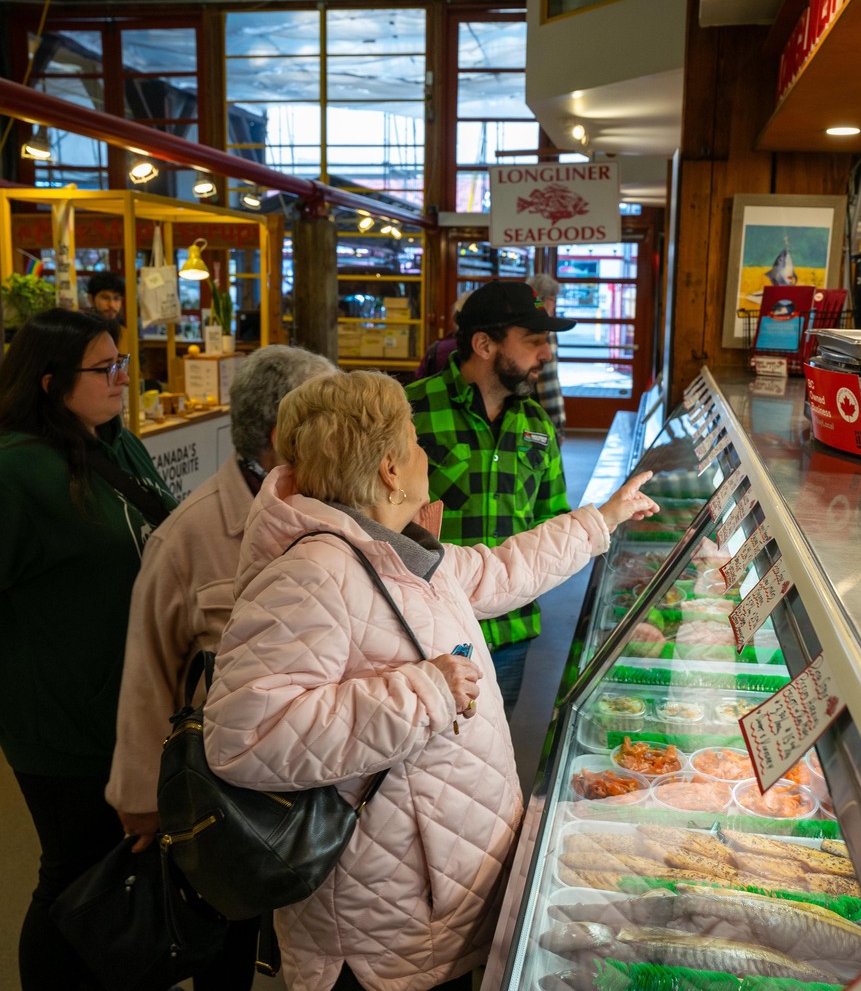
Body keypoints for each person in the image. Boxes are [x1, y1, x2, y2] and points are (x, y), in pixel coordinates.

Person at [201, 370, 657, 991]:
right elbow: (246, 737)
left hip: (434, 900)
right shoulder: (312, 572)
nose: (425, 455)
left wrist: (602, 519)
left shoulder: (394, 549)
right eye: (415, 442)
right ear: (389, 468)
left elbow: (498, 571)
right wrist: (426, 693)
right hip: (381, 925)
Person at [106, 344, 337, 990]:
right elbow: (149, 671)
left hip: (326, 782)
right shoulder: (190, 534)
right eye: (331, 417)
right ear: (282, 434)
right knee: (225, 946)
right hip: (228, 798)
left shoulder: (339, 506)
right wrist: (140, 799)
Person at [0, 307, 175, 991]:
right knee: (74, 875)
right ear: (50, 383)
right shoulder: (15, 472)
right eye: (106, 369)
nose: (123, 378)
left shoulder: (117, 443)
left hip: (135, 707)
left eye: (122, 363)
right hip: (62, 720)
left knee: (125, 868)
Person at [405, 280, 576, 716]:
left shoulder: (537, 424)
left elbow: (552, 520)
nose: (547, 353)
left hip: (511, 632)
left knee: (495, 744)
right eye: (533, 340)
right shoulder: (409, 413)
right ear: (484, 344)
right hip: (427, 636)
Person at [525, 273, 567, 442]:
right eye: (552, 299)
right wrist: (558, 425)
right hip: (541, 418)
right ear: (541, 300)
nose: (554, 305)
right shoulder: (545, 331)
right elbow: (548, 381)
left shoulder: (520, 327)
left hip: (520, 415)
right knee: (545, 451)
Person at [86, 271, 129, 352]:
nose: (112, 305)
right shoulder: (84, 332)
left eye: (116, 298)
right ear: (91, 299)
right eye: (105, 298)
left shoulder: (125, 332)